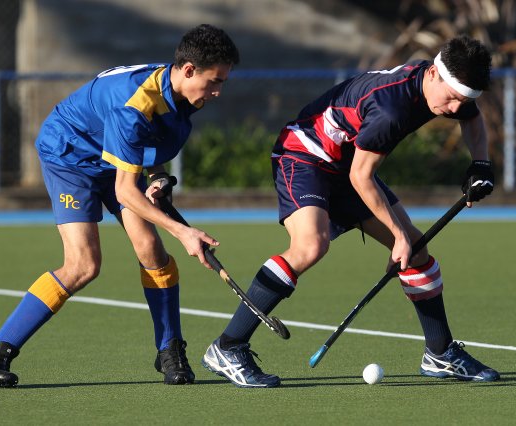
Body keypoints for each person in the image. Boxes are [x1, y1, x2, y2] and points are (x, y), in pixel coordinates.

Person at [201, 35, 499, 388]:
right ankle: (228, 346)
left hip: (347, 165)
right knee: (311, 245)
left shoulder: (443, 87)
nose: (454, 108)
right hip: (305, 155)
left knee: (417, 253)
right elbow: (361, 177)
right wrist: (398, 236)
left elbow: (471, 118)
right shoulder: (391, 108)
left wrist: (481, 165)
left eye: (463, 100)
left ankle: (440, 353)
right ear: (433, 73)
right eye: (451, 98)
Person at [0, 24, 239, 388]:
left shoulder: (178, 90)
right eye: (215, 81)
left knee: (151, 249)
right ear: (188, 69)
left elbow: (145, 142)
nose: (218, 91)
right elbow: (126, 191)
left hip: (114, 160)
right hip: (71, 156)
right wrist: (184, 232)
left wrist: (158, 176)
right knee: (83, 265)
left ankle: (169, 350)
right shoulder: (135, 104)